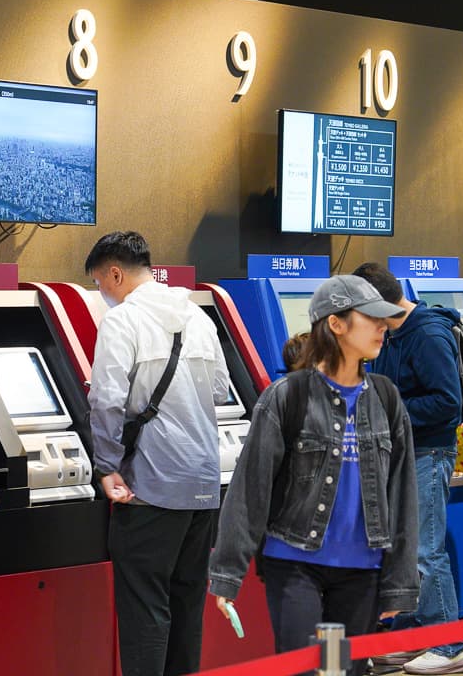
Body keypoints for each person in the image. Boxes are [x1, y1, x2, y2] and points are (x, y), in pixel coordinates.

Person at [208, 275, 419, 676]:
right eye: (371, 317)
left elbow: (403, 495)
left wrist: (400, 580)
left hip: (361, 572)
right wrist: (227, 573)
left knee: (338, 671)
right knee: (308, 671)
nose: (382, 327)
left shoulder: (386, 398)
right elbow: (250, 489)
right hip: (296, 566)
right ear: (335, 323)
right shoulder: (288, 396)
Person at [84, 231, 232, 676]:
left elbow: (106, 399)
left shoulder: (123, 321)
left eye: (99, 284)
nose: (101, 293)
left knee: (145, 609)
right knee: (187, 606)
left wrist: (107, 466)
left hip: (150, 488)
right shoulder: (198, 316)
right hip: (204, 487)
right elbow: (222, 391)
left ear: (115, 273)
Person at [352, 262, 463, 675]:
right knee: (401, 548)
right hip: (399, 454)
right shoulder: (391, 334)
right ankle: (411, 634)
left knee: (425, 549)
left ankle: (449, 644)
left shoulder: (427, 334)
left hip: (428, 454)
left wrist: (390, 411)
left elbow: (447, 403)